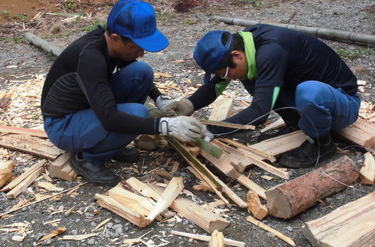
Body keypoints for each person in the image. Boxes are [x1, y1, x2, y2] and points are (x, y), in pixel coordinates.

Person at [41, 0, 208, 185]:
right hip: (63, 126)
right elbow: (110, 118)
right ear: (115, 38)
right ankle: (88, 159)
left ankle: (112, 143)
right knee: (138, 112)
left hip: (86, 109)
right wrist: (167, 125)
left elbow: (136, 75)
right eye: (136, 47)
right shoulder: (90, 58)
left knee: (141, 72)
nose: (141, 53)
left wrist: (160, 98)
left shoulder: (110, 45)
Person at [157, 24, 361, 168]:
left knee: (309, 92)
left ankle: (321, 144)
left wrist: (207, 131)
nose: (227, 79)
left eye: (224, 73)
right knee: (248, 74)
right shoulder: (244, 47)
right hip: (310, 98)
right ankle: (295, 124)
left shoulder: (272, 51)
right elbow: (217, 84)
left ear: (237, 56)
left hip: (342, 102)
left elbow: (260, 112)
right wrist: (187, 104)